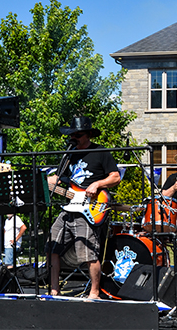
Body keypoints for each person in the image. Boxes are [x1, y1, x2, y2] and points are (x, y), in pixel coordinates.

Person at [46, 116, 121, 299]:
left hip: (90, 207)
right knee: (51, 246)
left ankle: (94, 292)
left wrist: (97, 184)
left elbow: (115, 177)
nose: (74, 137)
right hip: (69, 207)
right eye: (72, 134)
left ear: (88, 134)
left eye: (78, 134)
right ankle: (54, 290)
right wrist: (39, 180)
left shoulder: (100, 152)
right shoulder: (69, 154)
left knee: (88, 252)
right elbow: (57, 179)